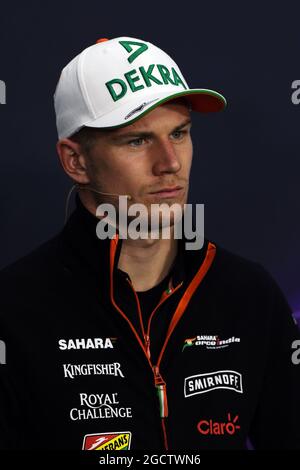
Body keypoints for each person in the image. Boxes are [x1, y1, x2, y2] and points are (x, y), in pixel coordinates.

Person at [0, 36, 299, 451]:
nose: (170, 163)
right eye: (137, 140)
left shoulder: (250, 296)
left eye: (179, 133)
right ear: (76, 161)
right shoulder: (14, 310)